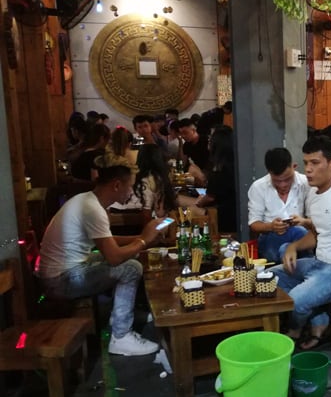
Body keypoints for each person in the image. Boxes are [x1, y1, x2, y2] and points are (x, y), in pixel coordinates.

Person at [38, 153, 169, 356]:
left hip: (62, 272)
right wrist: (144, 240)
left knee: (131, 257)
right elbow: (114, 257)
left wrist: (143, 237)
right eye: (130, 186)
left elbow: (107, 241)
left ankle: (125, 316)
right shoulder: (93, 209)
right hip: (60, 281)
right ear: (116, 185)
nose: (132, 192)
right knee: (130, 268)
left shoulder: (88, 201)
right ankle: (121, 336)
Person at [272, 136, 331, 350]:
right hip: (320, 264)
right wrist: (293, 247)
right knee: (267, 279)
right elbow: (317, 233)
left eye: (315, 163)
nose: (308, 170)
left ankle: (296, 330)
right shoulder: (313, 194)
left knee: (296, 300)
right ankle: (318, 317)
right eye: (306, 163)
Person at [248, 147, 311, 263]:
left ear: (294, 167)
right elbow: (254, 223)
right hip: (270, 239)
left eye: (287, 179)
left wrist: (303, 221)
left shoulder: (306, 183)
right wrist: (271, 227)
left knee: (294, 237)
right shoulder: (258, 187)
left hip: (301, 239)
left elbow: (315, 218)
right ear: (269, 172)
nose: (283, 185)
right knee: (296, 234)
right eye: (277, 181)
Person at [189, 126, 238, 233]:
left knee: (189, 211)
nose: (208, 140)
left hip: (224, 215)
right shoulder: (233, 163)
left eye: (211, 138)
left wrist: (199, 203)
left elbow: (210, 197)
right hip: (232, 211)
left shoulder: (220, 169)